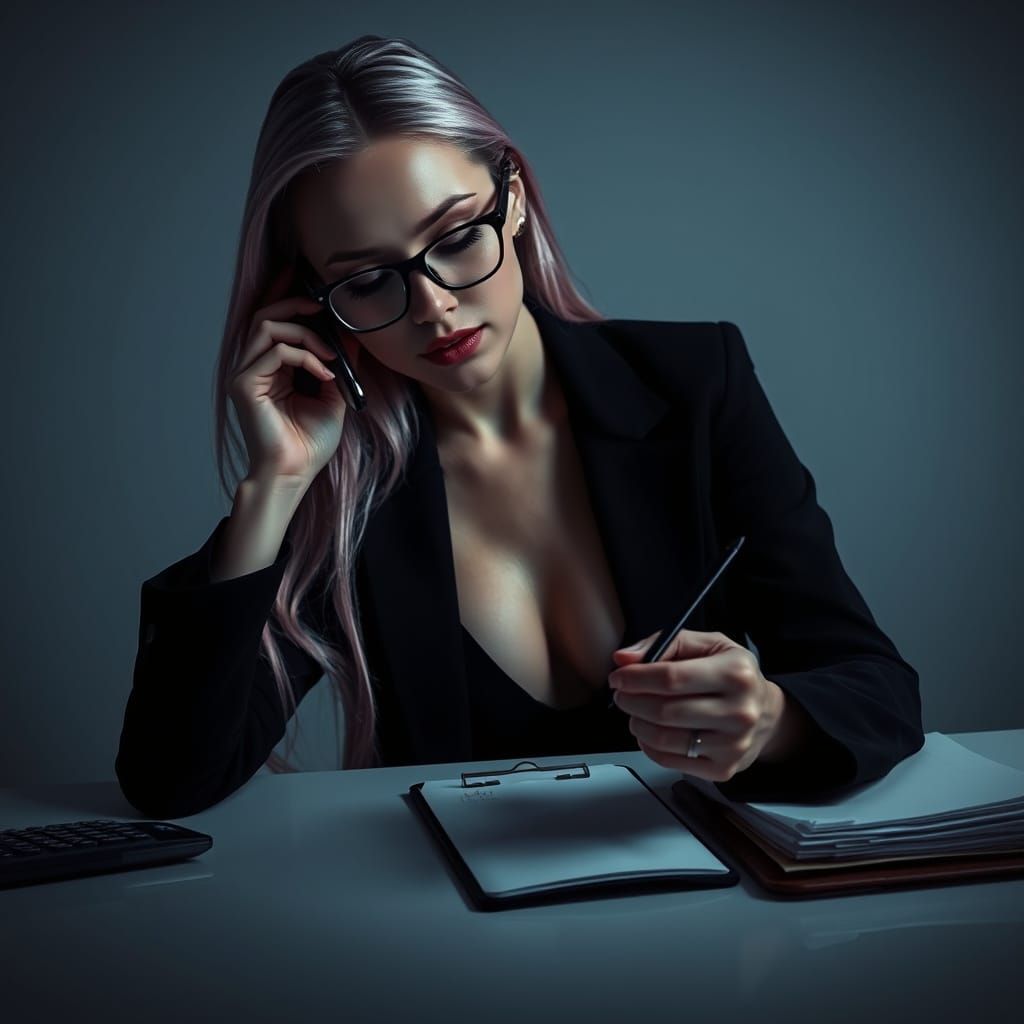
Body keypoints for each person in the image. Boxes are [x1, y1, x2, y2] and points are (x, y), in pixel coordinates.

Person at [115, 35, 924, 820]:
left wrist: (770, 720)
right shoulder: (344, 484)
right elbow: (172, 779)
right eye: (366, 280)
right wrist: (274, 487)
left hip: (713, 915)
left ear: (516, 204)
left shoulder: (695, 385)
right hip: (449, 933)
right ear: (313, 302)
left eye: (458, 237)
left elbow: (876, 685)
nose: (434, 306)